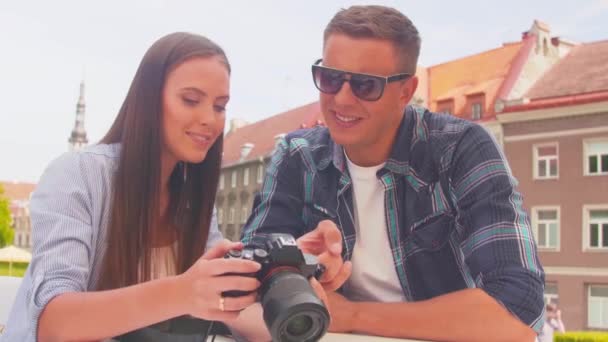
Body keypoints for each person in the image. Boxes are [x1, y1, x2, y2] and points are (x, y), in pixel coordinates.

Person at [242, 5, 545, 341]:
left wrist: (352, 314)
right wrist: (298, 262)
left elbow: (517, 311)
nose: (341, 99)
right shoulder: (298, 155)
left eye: (365, 85)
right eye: (330, 78)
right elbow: (243, 281)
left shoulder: (460, 148)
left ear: (406, 91)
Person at [2, 32, 272, 342]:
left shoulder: (192, 201)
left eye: (220, 106)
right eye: (191, 100)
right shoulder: (79, 174)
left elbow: (235, 311)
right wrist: (183, 292)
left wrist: (289, 291)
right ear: (148, 99)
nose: (210, 119)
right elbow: (54, 324)